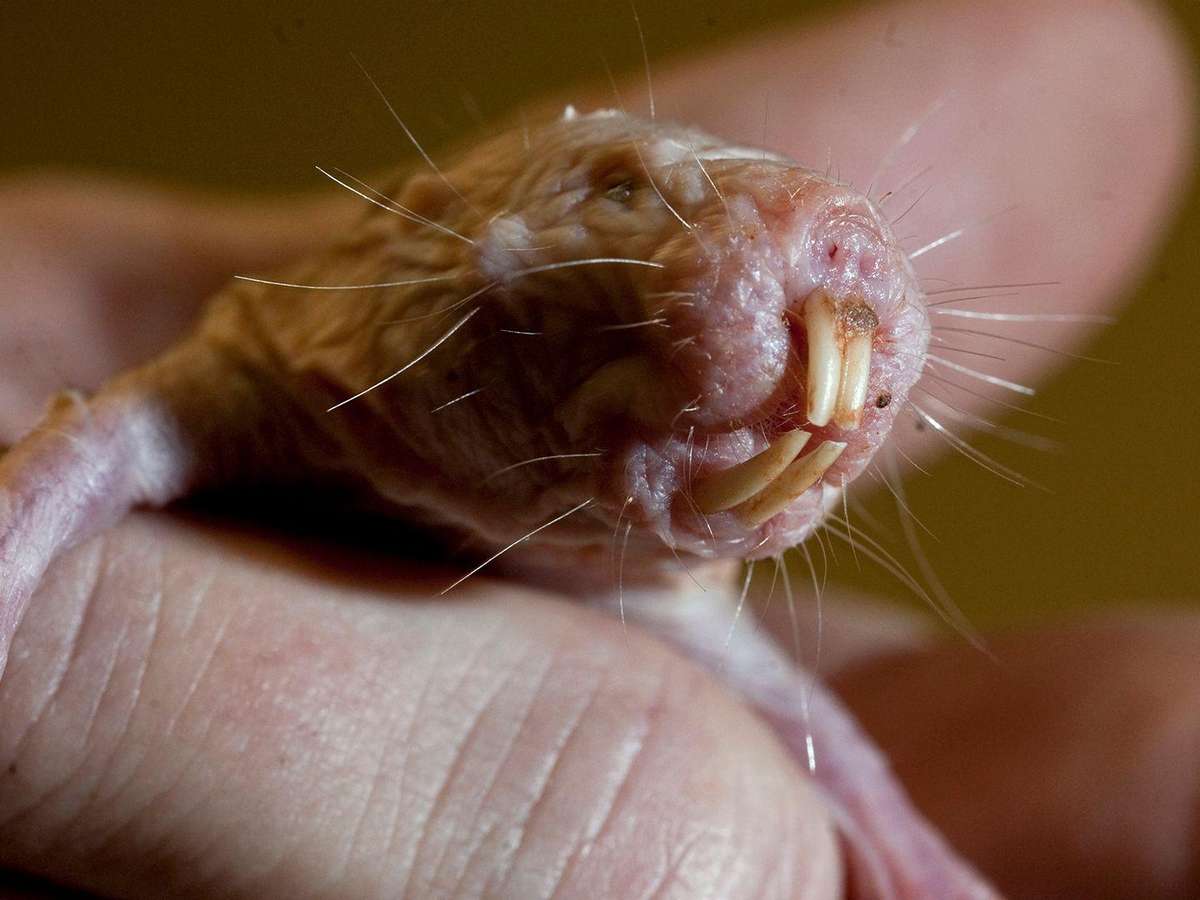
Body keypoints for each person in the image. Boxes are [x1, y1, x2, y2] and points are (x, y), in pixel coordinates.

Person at [0, 0, 1194, 896]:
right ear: (463, 238)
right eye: (625, 194)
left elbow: (835, 762)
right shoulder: (295, 355)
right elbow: (127, 435)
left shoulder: (662, 581)